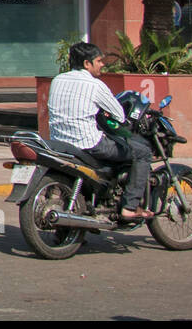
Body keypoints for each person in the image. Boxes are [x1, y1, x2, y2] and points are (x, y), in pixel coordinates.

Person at [48, 41, 153, 220]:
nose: (102, 65)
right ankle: (129, 206)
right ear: (87, 64)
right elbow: (119, 115)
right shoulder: (95, 85)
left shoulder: (58, 80)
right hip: (88, 143)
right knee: (142, 152)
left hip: (59, 143)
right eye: (99, 61)